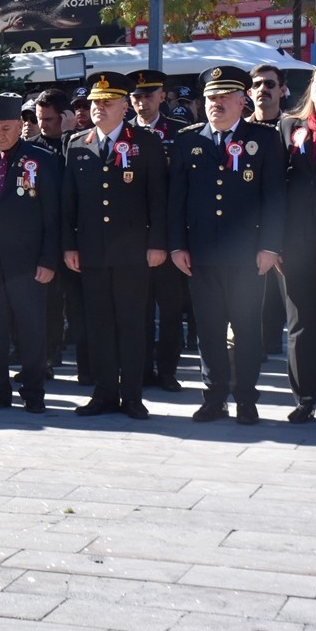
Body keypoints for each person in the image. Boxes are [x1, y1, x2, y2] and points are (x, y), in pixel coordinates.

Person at [169, 66, 286, 425]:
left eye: (223, 97)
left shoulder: (263, 139)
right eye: (209, 97)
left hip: (247, 256)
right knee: (209, 331)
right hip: (201, 254)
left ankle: (247, 399)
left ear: (241, 100)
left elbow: (274, 197)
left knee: (248, 330)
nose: (215, 103)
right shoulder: (189, 140)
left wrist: (269, 245)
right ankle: (214, 396)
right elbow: (178, 198)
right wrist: (176, 245)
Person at [62, 72, 167, 420]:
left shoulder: (146, 142)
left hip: (133, 252)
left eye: (107, 103)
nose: (99, 108)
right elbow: (69, 204)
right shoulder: (77, 143)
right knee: (99, 326)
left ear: (124, 106)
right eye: (95, 103)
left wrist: (157, 244)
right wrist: (69, 245)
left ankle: (132, 395)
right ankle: (104, 393)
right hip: (91, 252)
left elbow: (158, 199)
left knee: (132, 325)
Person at [0, 92, 60, 413]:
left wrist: (48, 259)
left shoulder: (42, 159)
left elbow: (53, 215)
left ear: (19, 125)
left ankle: (33, 392)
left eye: (6, 127)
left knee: (31, 330)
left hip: (28, 263)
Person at [128, 69, 187, 392]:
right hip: (134, 237)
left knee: (170, 310)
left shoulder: (180, 132)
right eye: (136, 97)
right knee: (138, 310)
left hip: (169, 232)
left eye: (148, 95)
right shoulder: (122, 133)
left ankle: (167, 370)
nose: (141, 102)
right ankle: (143, 368)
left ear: (162, 96)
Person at [278, 67, 316, 423]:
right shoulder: (290, 127)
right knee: (301, 323)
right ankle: (305, 398)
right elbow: (275, 188)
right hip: (297, 243)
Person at [247, 64, 289, 357]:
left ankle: (273, 343)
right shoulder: (241, 129)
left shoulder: (294, 128)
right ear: (249, 92)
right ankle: (253, 348)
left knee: (283, 294)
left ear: (283, 90)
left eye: (271, 84)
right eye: (258, 84)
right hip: (247, 228)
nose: (264, 89)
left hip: (287, 226)